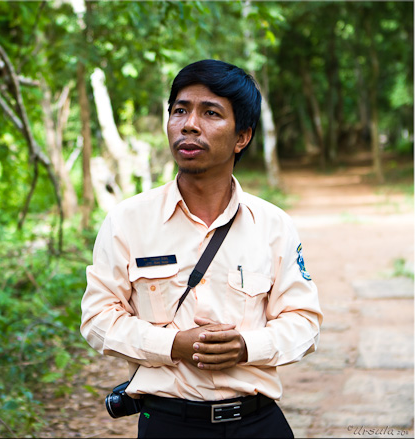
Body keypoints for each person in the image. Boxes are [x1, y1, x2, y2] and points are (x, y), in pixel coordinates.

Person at [80, 59, 323, 438]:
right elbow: (98, 319)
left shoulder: (273, 225)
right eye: (180, 110)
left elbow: (304, 323)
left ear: (242, 136)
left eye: (211, 113)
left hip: (257, 423)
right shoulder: (127, 221)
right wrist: (173, 345)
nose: (189, 124)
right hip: (167, 424)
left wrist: (245, 347)